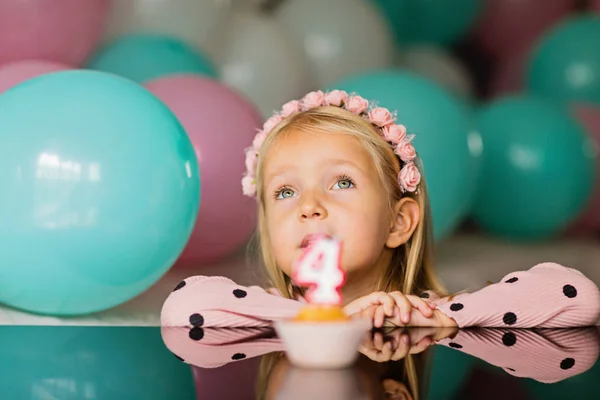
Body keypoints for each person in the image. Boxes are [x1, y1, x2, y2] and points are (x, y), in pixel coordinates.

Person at [161, 89, 600, 330]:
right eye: (285, 192)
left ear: (398, 222)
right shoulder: (265, 312)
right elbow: (182, 306)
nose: (310, 207)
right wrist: (326, 316)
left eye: (342, 182)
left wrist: (440, 319)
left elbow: (576, 298)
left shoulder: (427, 313)